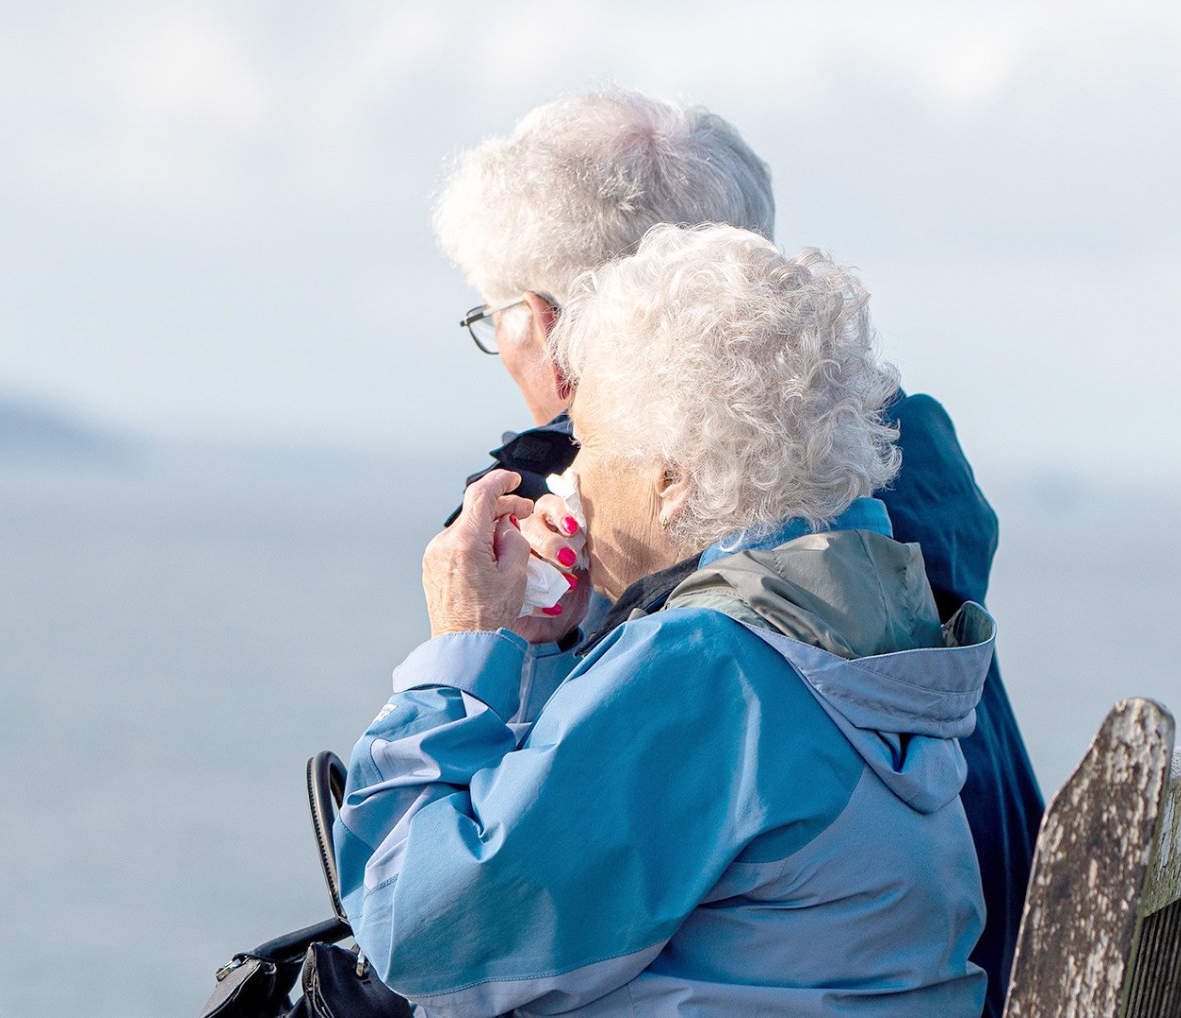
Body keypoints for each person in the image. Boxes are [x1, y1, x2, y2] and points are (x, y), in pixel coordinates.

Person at [432, 88, 1042, 1015]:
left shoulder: (654, 532)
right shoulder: (886, 468)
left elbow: (478, 917)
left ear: (552, 322)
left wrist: (476, 656)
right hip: (985, 944)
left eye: (494, 319)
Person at [337, 225, 994, 1017]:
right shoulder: (864, 615)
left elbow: (425, 938)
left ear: (672, 481)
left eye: (589, 442)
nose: (570, 475)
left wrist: (464, 648)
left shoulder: (707, 663)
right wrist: (546, 646)